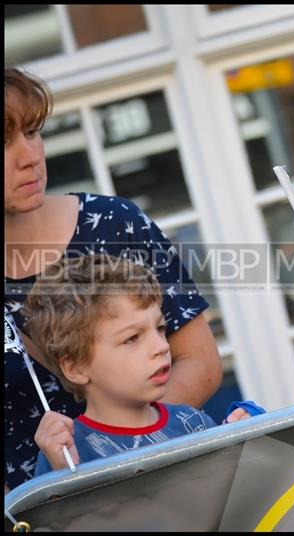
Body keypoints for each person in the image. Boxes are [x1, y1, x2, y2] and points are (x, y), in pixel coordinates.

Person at [4, 67, 222, 489]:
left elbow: (201, 363)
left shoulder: (114, 225)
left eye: (32, 131)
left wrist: (114, 456)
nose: (29, 155)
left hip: (156, 494)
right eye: (4, 142)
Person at [25, 254, 263, 475]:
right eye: (132, 338)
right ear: (75, 367)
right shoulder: (65, 451)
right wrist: (62, 474)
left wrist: (251, 436)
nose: (162, 346)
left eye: (160, 329)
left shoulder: (192, 422)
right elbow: (59, 520)